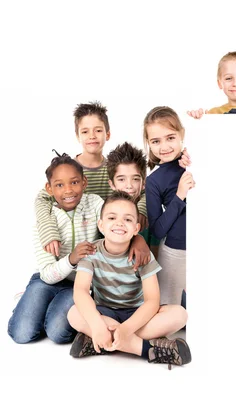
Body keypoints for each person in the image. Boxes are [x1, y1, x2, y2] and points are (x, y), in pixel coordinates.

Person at [67, 191, 190, 368]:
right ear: (100, 225)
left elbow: (152, 301)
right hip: (105, 313)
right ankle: (146, 348)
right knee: (73, 313)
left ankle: (104, 342)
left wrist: (125, 329)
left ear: (136, 229)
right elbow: (80, 291)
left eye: (127, 219)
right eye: (111, 218)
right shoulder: (91, 253)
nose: (119, 223)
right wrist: (97, 324)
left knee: (179, 314)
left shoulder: (142, 256)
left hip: (137, 315)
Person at [33, 101, 150, 269]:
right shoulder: (69, 171)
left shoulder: (116, 169)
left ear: (107, 134)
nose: (92, 136)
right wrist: (48, 230)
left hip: (108, 236)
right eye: (85, 131)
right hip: (76, 239)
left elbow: (141, 190)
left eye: (98, 130)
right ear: (77, 136)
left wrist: (141, 212)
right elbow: (42, 199)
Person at [8, 153, 103, 344]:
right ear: (49, 189)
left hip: (78, 284)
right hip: (47, 279)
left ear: (84, 182)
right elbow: (47, 274)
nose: (68, 190)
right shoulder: (45, 222)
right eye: (59, 185)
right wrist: (71, 259)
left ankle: (47, 309)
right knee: (22, 334)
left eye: (74, 182)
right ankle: (31, 302)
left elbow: (112, 220)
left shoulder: (94, 203)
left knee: (59, 334)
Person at [143, 106, 194, 307]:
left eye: (170, 137)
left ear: (182, 134)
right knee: (169, 312)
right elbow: (157, 229)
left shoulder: (194, 161)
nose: (164, 146)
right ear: (149, 144)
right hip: (175, 252)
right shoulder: (154, 181)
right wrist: (180, 196)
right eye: (156, 141)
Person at [106, 141, 161, 260]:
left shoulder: (150, 213)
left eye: (135, 179)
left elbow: (155, 254)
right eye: (121, 179)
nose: (129, 186)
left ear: (143, 183)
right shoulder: (106, 212)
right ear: (112, 184)